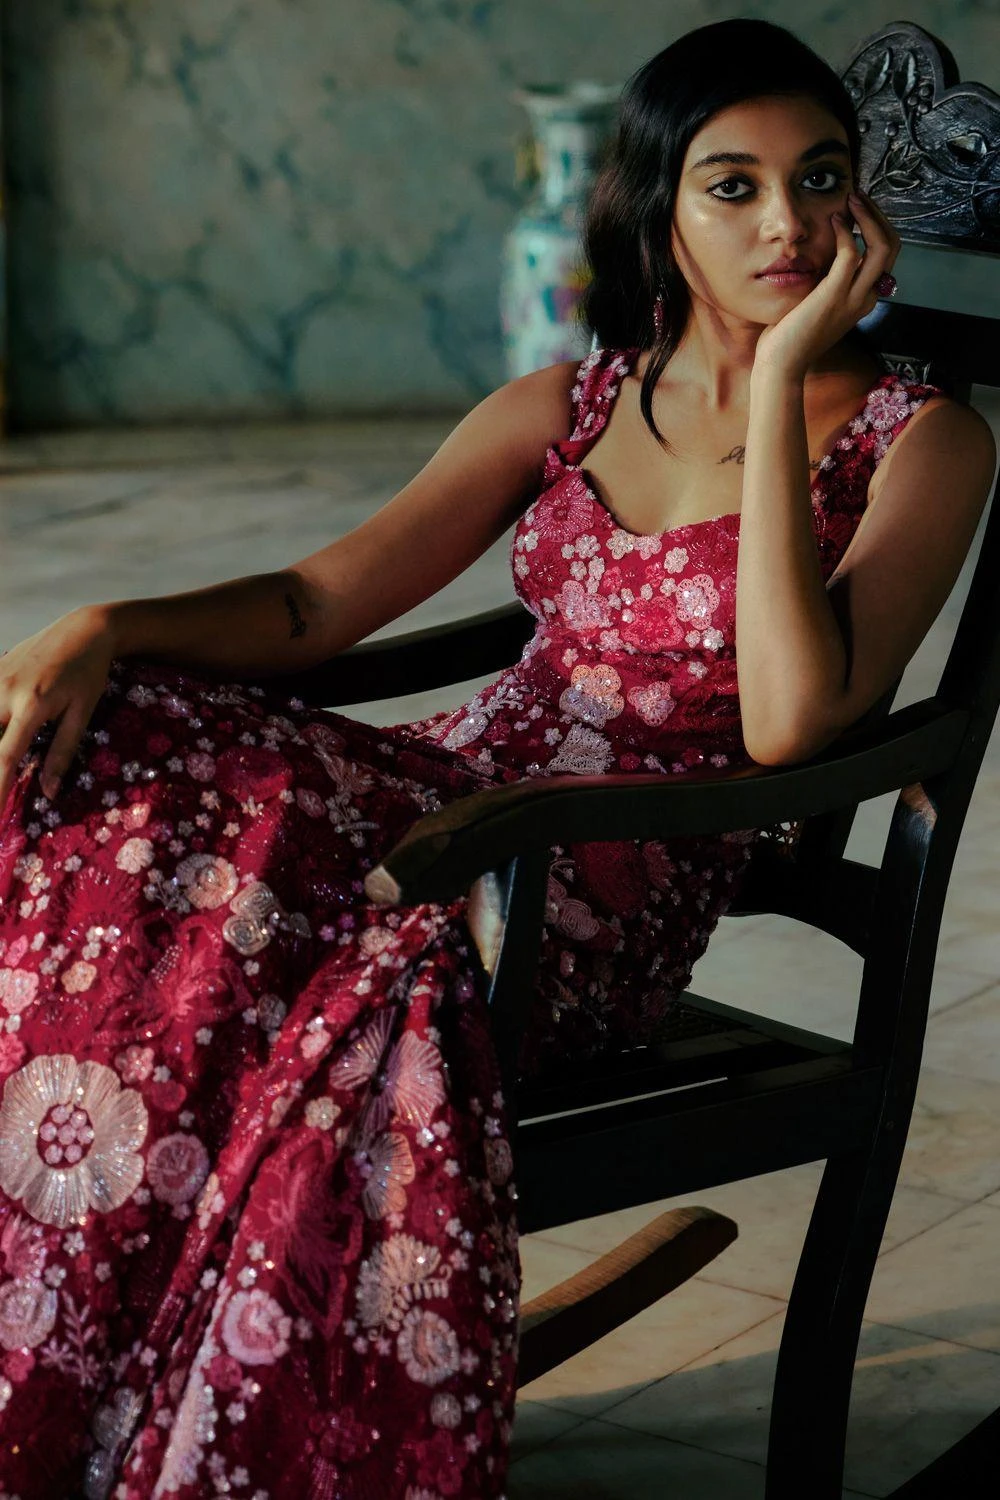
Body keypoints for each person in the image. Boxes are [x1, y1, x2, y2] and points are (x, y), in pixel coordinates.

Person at [0, 15, 995, 1500]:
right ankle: (83, 1335)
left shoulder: (925, 441)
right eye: (733, 185)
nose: (786, 224)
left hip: (565, 886)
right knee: (116, 756)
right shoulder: (573, 403)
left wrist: (786, 380)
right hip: (445, 805)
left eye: (820, 177)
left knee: (273, 937)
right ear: (662, 209)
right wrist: (105, 624)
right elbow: (317, 603)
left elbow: (792, 724)